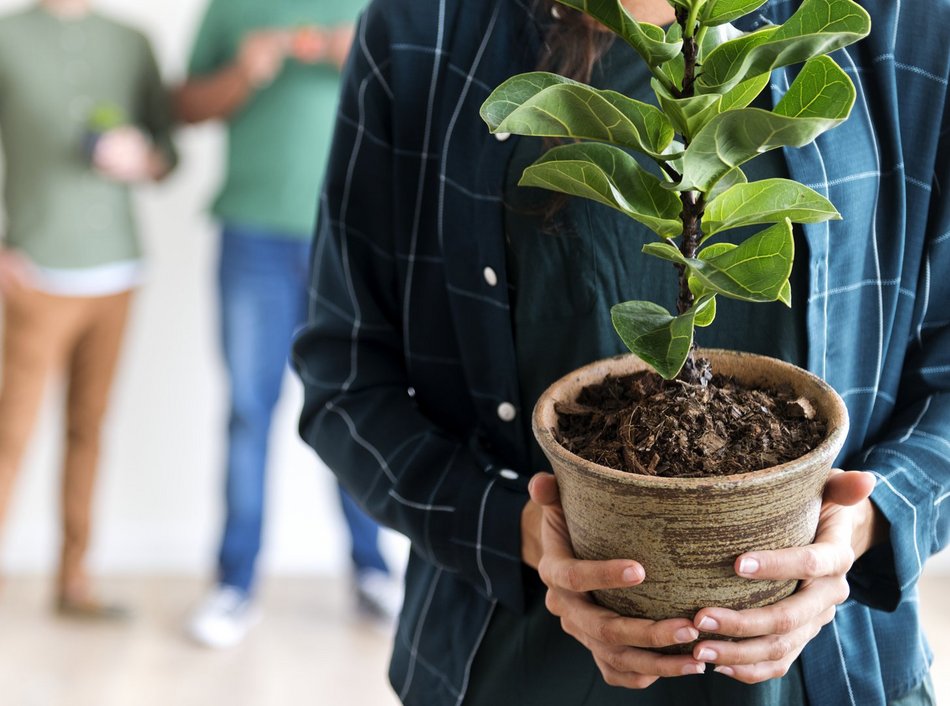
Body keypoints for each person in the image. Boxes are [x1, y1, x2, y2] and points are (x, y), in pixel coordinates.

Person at [292, 0, 948, 704]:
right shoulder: (426, 27)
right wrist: (514, 531)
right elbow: (347, 378)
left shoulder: (906, 21)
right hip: (517, 667)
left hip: (835, 674)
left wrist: (862, 526)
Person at [175, 0, 399, 649]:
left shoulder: (372, 9)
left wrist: (356, 55)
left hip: (351, 239)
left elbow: (421, 106)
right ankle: (235, 583)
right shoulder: (229, 9)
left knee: (357, 405)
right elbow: (184, 107)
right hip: (251, 241)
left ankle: (371, 569)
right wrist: (243, 71)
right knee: (249, 410)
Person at [0, 0, 177, 618]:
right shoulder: (7, 37)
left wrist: (143, 159)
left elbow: (166, 154)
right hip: (36, 273)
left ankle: (74, 582)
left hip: (118, 272)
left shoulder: (131, 41)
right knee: (10, 436)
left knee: (89, 432)